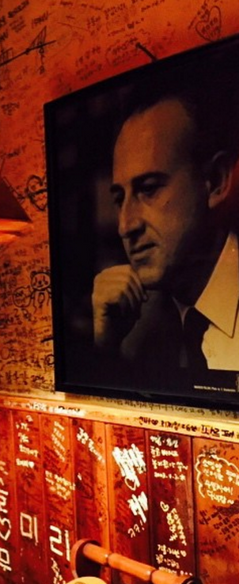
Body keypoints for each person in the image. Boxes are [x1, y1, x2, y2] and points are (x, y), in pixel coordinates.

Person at [91, 68, 239, 388]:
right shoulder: (135, 336)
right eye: (119, 199)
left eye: (149, 189)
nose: (125, 226)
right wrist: (105, 350)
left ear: (216, 181)